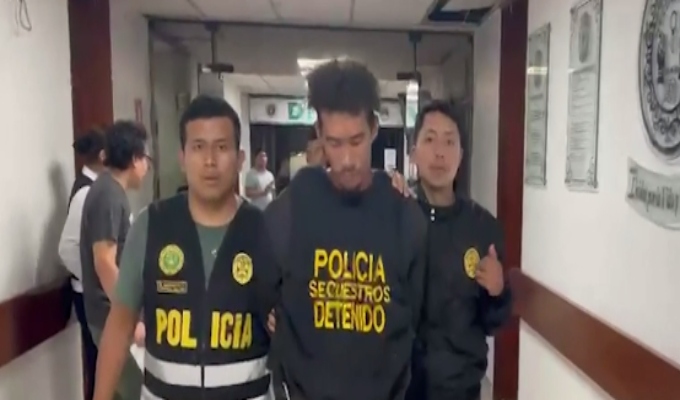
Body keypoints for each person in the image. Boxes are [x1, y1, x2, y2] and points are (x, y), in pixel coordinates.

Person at [262, 59, 428, 400]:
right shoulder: (292, 206)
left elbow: (418, 315)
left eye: (356, 141)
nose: (348, 159)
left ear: (374, 129)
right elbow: (261, 290)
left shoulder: (404, 214)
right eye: (335, 143)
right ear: (319, 134)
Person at [92, 95, 276, 400]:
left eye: (221, 147)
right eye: (198, 147)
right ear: (182, 157)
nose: (210, 161)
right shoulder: (152, 226)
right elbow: (120, 325)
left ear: (240, 158)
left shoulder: (265, 230)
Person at [406, 101, 512, 400]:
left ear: (461, 155)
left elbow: (493, 321)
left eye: (449, 142)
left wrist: (497, 291)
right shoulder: (396, 216)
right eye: (430, 139)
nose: (440, 152)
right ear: (413, 152)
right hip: (400, 388)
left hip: (459, 389)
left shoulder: (482, 227)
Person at [81, 121, 150, 400]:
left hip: (112, 314)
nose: (147, 167)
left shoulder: (112, 191)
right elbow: (104, 262)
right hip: (109, 317)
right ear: (134, 159)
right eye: (145, 158)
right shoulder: (108, 194)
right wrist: (130, 316)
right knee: (139, 392)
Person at [58, 127, 106, 400]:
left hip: (91, 290)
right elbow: (67, 248)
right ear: (103, 155)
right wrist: (94, 277)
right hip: (87, 292)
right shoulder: (86, 192)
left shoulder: (92, 188)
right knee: (97, 364)